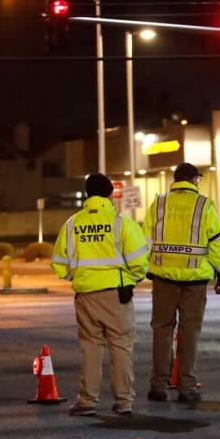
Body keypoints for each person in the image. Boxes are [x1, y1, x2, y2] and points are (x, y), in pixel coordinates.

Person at [51, 173, 150, 416]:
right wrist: (131, 280)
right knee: (120, 347)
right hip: (116, 294)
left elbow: (59, 263)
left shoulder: (72, 224)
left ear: (87, 194)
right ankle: (123, 402)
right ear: (109, 194)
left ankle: (87, 401)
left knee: (91, 347)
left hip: (86, 296)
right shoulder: (121, 222)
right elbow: (139, 262)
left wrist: (77, 278)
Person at [143, 162, 220, 403]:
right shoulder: (204, 205)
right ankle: (186, 387)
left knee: (161, 330)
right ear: (193, 180)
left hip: (163, 279)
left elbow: (145, 242)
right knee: (188, 333)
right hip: (193, 281)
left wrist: (141, 270)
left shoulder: (158, 204)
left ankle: (158, 386)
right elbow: (215, 241)